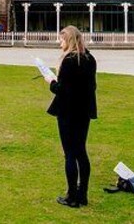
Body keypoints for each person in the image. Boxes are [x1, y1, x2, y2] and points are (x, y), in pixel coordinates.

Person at [44, 25, 97, 208]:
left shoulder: (68, 61)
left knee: (70, 154)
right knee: (81, 152)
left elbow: (62, 90)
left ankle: (72, 196)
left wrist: (51, 81)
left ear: (69, 41)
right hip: (84, 112)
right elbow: (92, 87)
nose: (60, 43)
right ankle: (82, 194)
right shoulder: (90, 59)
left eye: (62, 40)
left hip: (68, 112)